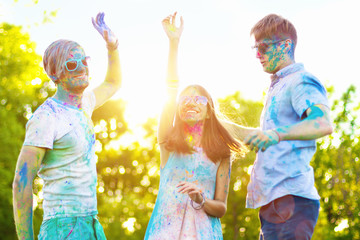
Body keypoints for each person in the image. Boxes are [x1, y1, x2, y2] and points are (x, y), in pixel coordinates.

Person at [12, 12, 121, 240]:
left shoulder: (85, 104)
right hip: (62, 227)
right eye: (72, 64)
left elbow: (112, 83)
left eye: (85, 61)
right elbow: (22, 182)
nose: (82, 68)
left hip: (90, 223)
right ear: (55, 73)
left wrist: (112, 48)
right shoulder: (46, 117)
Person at [227, 14, 333, 239]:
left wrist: (276, 134)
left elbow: (322, 122)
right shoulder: (278, 87)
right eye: (255, 48)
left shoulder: (300, 80)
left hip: (292, 201)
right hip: (272, 203)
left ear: (285, 45)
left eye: (263, 47)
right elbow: (261, 137)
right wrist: (213, 122)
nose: (258, 55)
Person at [144, 12, 245, 240]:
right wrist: (174, 42)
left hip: (203, 234)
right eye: (185, 100)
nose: (189, 102)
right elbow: (170, 89)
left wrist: (201, 200)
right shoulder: (168, 142)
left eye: (198, 99)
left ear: (209, 111)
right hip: (164, 232)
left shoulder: (221, 153)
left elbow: (221, 207)